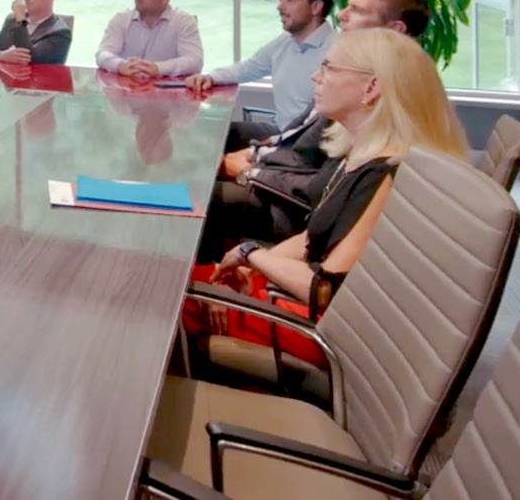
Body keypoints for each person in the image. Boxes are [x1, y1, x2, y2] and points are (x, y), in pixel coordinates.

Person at [181, 27, 469, 368]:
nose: (317, 76)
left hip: (319, 331)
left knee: (164, 299)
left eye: (329, 68)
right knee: (187, 277)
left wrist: (251, 255)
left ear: (372, 87)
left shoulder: (384, 174)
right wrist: (243, 267)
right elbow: (311, 241)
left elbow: (326, 292)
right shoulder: (363, 156)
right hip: (301, 303)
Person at [204, 0, 431, 251]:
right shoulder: (357, 68)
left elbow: (325, 180)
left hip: (305, 214)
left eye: (357, 10)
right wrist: (254, 157)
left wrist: (251, 171)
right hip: (299, 190)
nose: (343, 16)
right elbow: (303, 136)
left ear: (394, 28)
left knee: (204, 197)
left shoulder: (372, 86)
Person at [185, 0, 336, 133]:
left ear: (316, 7)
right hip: (280, 131)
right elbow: (249, 67)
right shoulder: (284, 42)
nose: (280, 7)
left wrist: (272, 144)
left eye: (290, 0)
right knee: (215, 131)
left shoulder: (337, 51)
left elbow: (327, 122)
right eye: (280, 0)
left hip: (308, 141)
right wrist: (211, 77)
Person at [96, 0, 202, 78]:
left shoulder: (184, 22)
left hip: (165, 91)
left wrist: (157, 68)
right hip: (126, 88)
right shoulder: (121, 19)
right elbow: (102, 53)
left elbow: (195, 61)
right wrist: (121, 65)